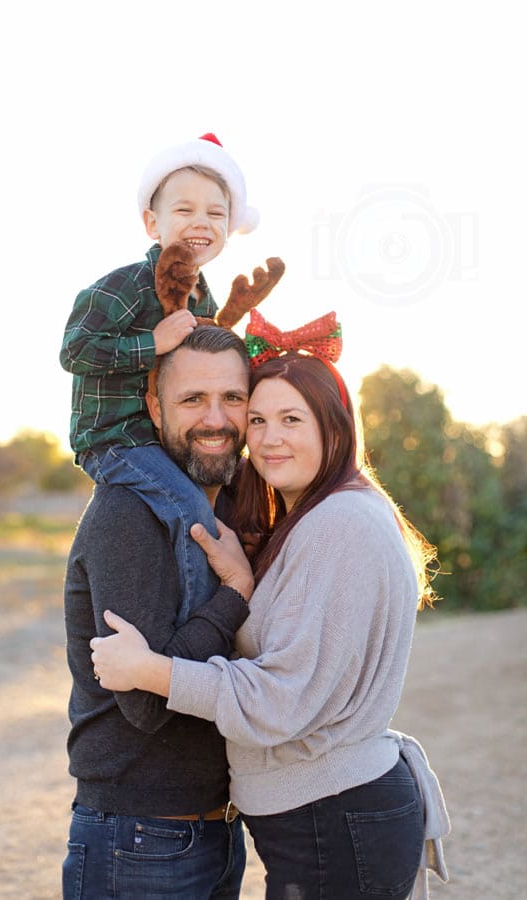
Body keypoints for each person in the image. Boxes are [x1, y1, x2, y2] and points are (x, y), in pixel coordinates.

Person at [90, 312, 451, 900]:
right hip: (324, 817)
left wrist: (153, 671)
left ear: (335, 426)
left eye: (291, 419)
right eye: (257, 419)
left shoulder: (340, 524)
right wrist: (240, 582)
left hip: (334, 818)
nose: (269, 438)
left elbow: (283, 699)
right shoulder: (318, 515)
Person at [62, 326, 255, 900]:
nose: (215, 419)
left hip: (214, 828)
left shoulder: (225, 509)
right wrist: (236, 595)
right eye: (192, 399)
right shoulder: (131, 513)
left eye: (233, 399)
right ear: (154, 406)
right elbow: (145, 701)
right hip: (140, 837)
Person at [59, 132, 260, 625]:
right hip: (114, 439)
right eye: (184, 210)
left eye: (216, 214)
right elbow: (74, 350)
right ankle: (199, 621)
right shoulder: (126, 285)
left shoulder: (205, 298)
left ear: (230, 228)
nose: (201, 223)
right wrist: (153, 343)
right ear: (153, 222)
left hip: (158, 439)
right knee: (186, 504)